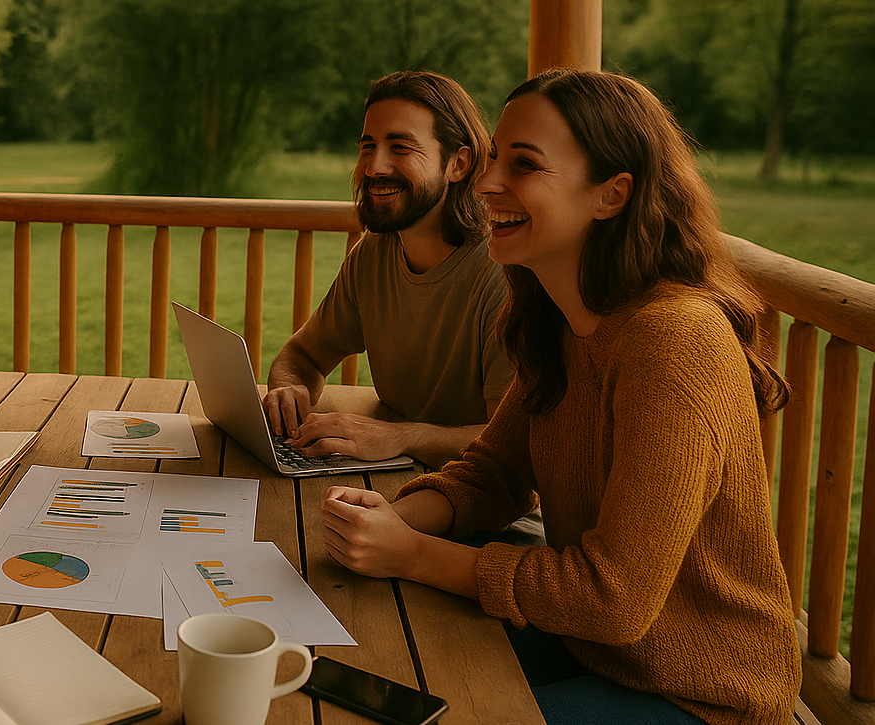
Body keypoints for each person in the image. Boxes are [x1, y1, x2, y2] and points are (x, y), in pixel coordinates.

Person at [320, 68, 799, 724]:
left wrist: (414, 553)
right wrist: (389, 521)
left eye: (523, 164)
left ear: (611, 194)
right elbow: (494, 474)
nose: (487, 183)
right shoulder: (561, 317)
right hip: (593, 647)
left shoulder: (672, 339)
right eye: (492, 158)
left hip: (702, 692)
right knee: (380, 655)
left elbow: (616, 596)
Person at [263, 70, 515, 470]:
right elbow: (303, 354)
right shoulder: (373, 254)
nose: (374, 167)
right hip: (393, 476)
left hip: (481, 494)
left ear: (458, 164)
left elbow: (510, 440)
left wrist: (396, 437)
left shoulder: (502, 271)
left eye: (400, 147)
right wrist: (288, 388)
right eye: (368, 146)